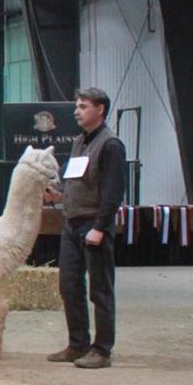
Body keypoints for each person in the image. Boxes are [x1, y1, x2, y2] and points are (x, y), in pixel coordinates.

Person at [45, 88, 127, 370]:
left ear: (100, 109)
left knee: (100, 290)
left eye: (82, 106)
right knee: (69, 286)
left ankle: (102, 350)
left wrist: (101, 227)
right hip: (72, 224)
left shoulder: (111, 145)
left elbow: (113, 192)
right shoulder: (80, 141)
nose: (76, 111)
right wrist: (59, 196)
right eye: (76, 106)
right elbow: (74, 180)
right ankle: (77, 344)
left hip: (94, 225)